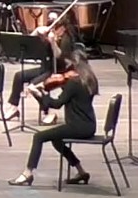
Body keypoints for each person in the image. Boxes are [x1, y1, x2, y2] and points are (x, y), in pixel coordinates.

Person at [7, 50, 99, 186]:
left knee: (39, 137)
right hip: (89, 125)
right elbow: (72, 96)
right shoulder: (89, 80)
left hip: (77, 126)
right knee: (56, 140)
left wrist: (41, 94)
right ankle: (81, 171)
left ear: (73, 64)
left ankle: (27, 173)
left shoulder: (73, 83)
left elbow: (57, 104)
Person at [1, 13, 77, 125]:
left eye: (57, 28)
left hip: (58, 70)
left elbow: (58, 56)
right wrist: (36, 31)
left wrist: (53, 42)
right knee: (19, 76)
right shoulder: (49, 33)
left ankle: (48, 112)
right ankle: (13, 108)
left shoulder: (66, 39)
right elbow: (29, 44)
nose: (54, 31)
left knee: (34, 86)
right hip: (45, 68)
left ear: (63, 28)